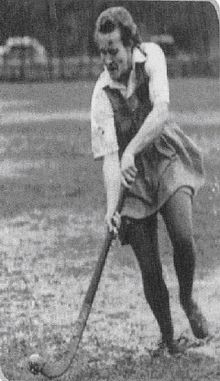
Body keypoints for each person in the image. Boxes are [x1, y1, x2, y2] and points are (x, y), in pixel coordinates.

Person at [91, 6, 209, 354]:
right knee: (149, 265)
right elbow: (111, 159)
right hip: (132, 179)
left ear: (130, 43)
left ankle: (187, 299)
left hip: (165, 156)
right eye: (102, 51)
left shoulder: (152, 56)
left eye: (113, 49)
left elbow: (161, 112)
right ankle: (170, 338)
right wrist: (111, 208)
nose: (108, 59)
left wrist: (132, 151)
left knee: (183, 237)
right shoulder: (101, 95)